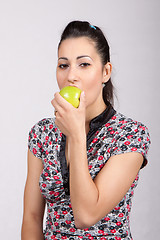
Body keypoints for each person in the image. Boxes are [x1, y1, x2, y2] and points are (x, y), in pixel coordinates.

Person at [21, 21, 151, 240]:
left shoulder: (130, 134)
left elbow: (86, 215)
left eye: (84, 64)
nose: (71, 76)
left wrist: (76, 135)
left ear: (105, 72)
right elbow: (32, 217)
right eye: (63, 65)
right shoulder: (42, 133)